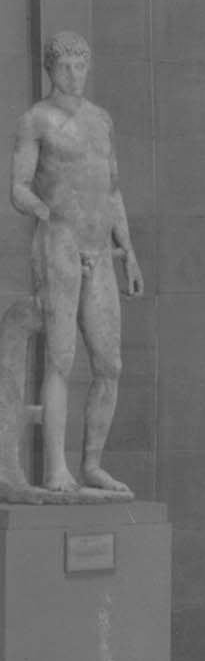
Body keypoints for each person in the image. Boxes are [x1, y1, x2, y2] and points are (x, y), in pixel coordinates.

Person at [12, 31, 144, 498]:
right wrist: (41, 211)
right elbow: (19, 186)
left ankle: (91, 464)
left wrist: (127, 250)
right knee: (62, 358)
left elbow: (112, 191)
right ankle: (55, 470)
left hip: (100, 250)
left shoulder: (100, 121)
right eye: (65, 66)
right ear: (51, 69)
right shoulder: (37, 120)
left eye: (80, 66)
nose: (74, 75)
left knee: (109, 363)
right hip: (60, 243)